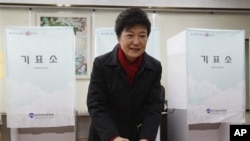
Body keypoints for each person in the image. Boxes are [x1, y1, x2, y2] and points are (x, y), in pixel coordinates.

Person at [87, 7, 163, 141]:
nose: (136, 42)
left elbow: (154, 107)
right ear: (118, 37)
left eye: (142, 35)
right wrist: (113, 137)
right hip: (106, 136)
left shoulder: (154, 67)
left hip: (136, 136)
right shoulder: (101, 64)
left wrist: (146, 137)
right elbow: (95, 104)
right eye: (130, 35)